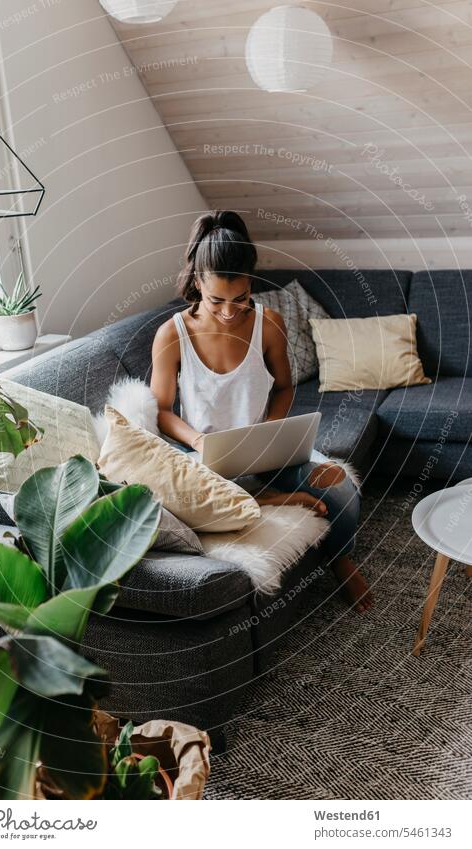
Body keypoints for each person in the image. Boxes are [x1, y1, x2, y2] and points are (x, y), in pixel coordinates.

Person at [151, 210, 373, 613]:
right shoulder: (172, 334)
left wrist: (271, 430)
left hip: (264, 451)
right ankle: (268, 497)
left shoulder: (267, 324)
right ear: (197, 281)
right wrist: (198, 440)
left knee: (340, 486)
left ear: (250, 282)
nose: (229, 311)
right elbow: (162, 411)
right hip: (204, 459)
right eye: (217, 300)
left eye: (240, 298)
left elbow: (285, 387)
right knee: (174, 504)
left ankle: (340, 557)